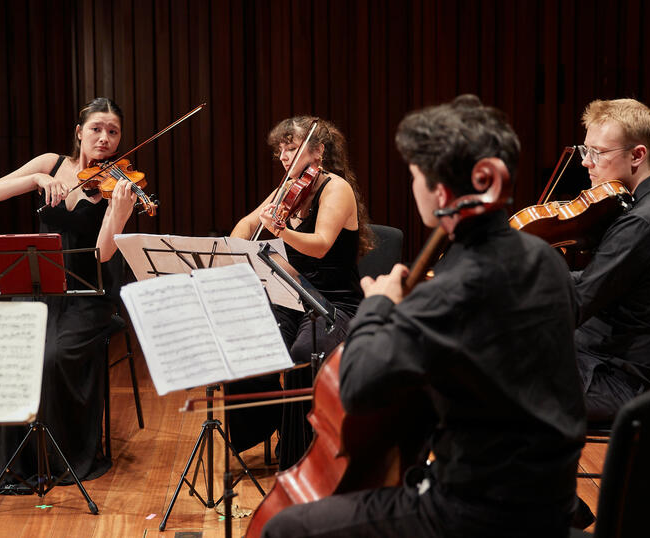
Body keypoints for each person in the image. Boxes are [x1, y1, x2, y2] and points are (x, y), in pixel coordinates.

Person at [260, 96, 586, 537]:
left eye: (414, 175)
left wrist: (379, 306)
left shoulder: (450, 290)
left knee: (286, 527)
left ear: (441, 192)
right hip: (550, 500)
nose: (413, 185)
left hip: (479, 514)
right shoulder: (545, 260)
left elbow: (356, 388)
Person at [0, 97, 137, 491]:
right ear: (80, 131)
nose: (104, 138)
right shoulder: (50, 163)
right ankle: (22, 458)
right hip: (40, 283)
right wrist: (36, 180)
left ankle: (62, 453)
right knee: (19, 351)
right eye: (97, 128)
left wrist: (117, 214)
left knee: (55, 354)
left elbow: (101, 254)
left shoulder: (117, 185)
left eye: (113, 132)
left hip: (88, 291)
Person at [227, 116, 373, 470]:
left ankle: (302, 456)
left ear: (317, 151)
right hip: (291, 294)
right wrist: (234, 245)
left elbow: (321, 245)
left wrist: (282, 232)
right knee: (247, 341)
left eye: (292, 148)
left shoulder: (335, 188)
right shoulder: (288, 188)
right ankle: (275, 423)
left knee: (305, 352)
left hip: (334, 303)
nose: (284, 157)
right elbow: (247, 225)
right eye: (280, 150)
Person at [572, 98, 650, 423]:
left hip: (618, 383)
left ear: (637, 155)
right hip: (597, 361)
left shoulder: (644, 221)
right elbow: (589, 282)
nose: (587, 163)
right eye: (585, 151)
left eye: (598, 152)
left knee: (492, 380)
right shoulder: (640, 208)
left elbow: (577, 303)